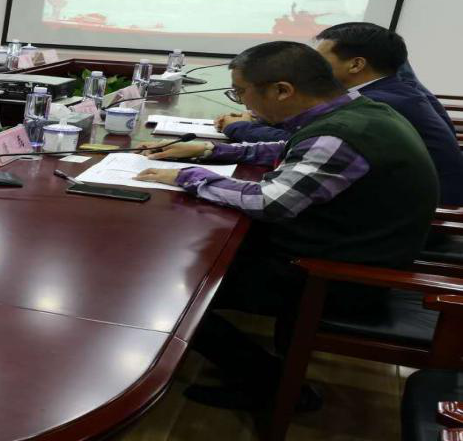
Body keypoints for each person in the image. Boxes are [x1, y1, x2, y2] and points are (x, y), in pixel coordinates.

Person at [135, 41, 438, 411]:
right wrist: (210, 150)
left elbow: (271, 202)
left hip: (337, 277)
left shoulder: (339, 135)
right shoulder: (360, 111)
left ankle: (275, 386)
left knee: (169, 287)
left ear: (282, 90)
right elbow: (292, 151)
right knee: (196, 251)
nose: (242, 103)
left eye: (240, 92)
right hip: (349, 247)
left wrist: (189, 176)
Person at [214, 23, 462, 205]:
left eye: (320, 60)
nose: (312, 67)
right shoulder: (391, 92)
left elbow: (307, 142)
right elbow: (305, 137)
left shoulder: (379, 102)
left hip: (432, 215)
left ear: (356, 64)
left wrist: (239, 128)